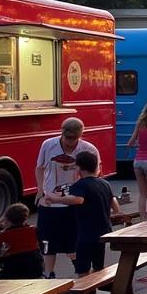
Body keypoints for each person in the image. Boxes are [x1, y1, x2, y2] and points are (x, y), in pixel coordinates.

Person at [35, 117, 100, 277]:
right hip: (50, 201)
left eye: (74, 138)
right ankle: (49, 274)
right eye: (67, 138)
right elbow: (40, 167)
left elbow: (96, 173)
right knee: (48, 240)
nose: (71, 142)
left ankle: (81, 273)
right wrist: (39, 189)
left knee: (74, 241)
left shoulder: (89, 149)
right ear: (62, 133)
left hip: (75, 201)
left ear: (80, 135)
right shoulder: (48, 145)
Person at [43, 150, 119, 275]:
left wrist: (55, 198)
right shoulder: (105, 183)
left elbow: (78, 199)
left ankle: (87, 291)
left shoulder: (80, 185)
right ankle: (98, 286)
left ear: (79, 169)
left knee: (83, 269)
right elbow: (114, 203)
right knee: (98, 266)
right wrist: (116, 212)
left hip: (86, 234)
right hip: (103, 232)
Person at [0, 203, 44, 279]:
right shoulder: (34, 230)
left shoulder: (1, 235)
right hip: (35, 265)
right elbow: (41, 246)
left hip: (13, 267)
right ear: (25, 218)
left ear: (8, 220)